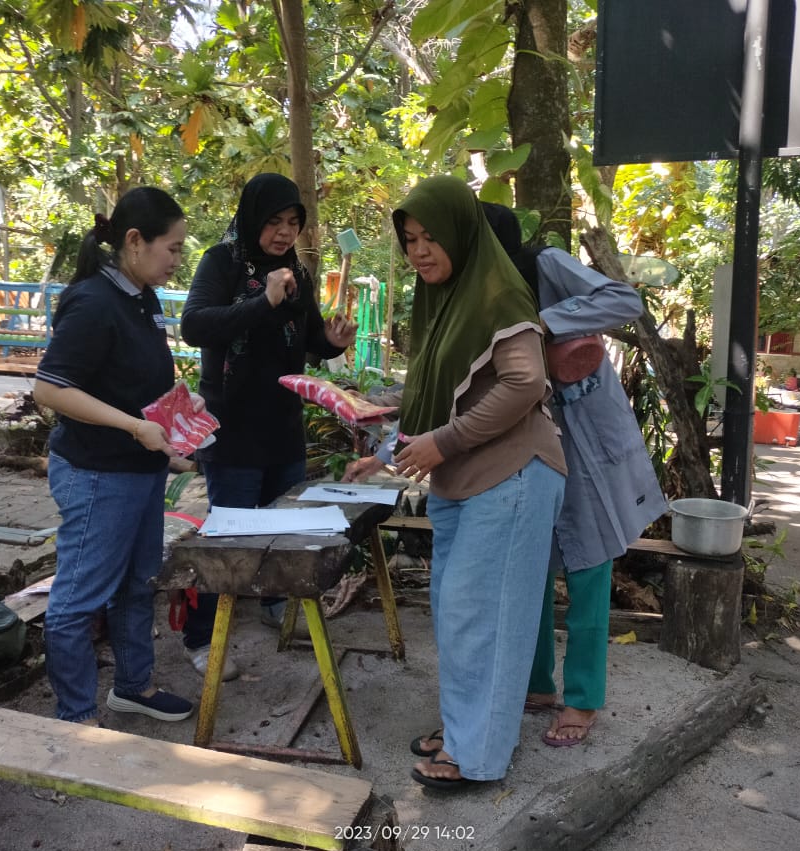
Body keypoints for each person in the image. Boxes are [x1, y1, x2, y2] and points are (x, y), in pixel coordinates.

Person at [371, 176, 567, 789]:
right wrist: (382, 450)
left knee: (485, 618)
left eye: (431, 237)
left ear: (462, 231)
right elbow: (433, 394)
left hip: (510, 479)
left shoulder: (498, 294)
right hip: (464, 481)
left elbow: (524, 384)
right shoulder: (443, 301)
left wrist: (443, 442)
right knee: (457, 615)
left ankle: (477, 756)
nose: (420, 251)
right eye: (409, 240)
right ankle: (465, 731)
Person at [480, 202, 667, 746]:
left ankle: (583, 699)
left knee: (589, 567)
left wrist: (546, 323)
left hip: (586, 438)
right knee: (529, 563)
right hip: (526, 440)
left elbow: (623, 299)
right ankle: (534, 685)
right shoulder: (473, 293)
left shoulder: (546, 265)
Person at [179, 173, 356, 678]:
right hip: (233, 426)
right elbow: (196, 326)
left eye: (293, 222)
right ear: (254, 218)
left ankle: (275, 607)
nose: (284, 232)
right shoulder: (223, 262)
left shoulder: (292, 270)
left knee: (284, 526)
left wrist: (333, 339)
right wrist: (264, 301)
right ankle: (201, 639)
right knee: (227, 538)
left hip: (282, 425)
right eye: (275, 222)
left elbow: (306, 340)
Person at [33, 186, 194, 726]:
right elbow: (51, 390)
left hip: (140, 470)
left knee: (138, 582)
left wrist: (179, 418)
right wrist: (133, 427)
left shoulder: (140, 296)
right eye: (171, 248)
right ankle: (74, 717)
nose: (177, 260)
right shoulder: (93, 302)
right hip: (97, 474)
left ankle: (132, 686)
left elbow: (131, 379)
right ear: (134, 241)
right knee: (79, 598)